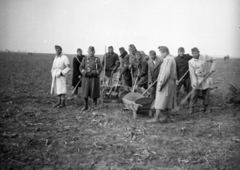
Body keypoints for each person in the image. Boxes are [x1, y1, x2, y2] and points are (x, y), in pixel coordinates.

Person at [147, 46, 177, 123]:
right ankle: (168, 117)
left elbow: (166, 73)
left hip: (166, 82)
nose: (160, 54)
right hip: (169, 82)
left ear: (165, 52)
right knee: (168, 99)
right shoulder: (170, 59)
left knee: (160, 100)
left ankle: (156, 118)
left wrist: (161, 83)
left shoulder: (168, 60)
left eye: (161, 52)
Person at [188, 47, 215, 114]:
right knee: (194, 93)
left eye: (196, 53)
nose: (194, 54)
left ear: (198, 52)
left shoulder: (204, 57)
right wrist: (194, 81)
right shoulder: (190, 62)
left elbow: (214, 60)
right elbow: (192, 73)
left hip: (206, 78)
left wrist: (212, 68)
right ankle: (192, 107)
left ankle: (206, 107)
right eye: (193, 53)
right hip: (197, 79)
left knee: (206, 93)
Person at [80, 46, 102, 111]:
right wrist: (85, 73)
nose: (91, 53)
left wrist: (94, 72)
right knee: (85, 91)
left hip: (94, 78)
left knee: (94, 91)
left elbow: (100, 68)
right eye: (90, 51)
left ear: (94, 52)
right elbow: (81, 67)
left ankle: (95, 105)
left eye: (92, 51)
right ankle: (85, 105)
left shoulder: (97, 59)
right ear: (88, 52)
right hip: (86, 78)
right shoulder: (84, 59)